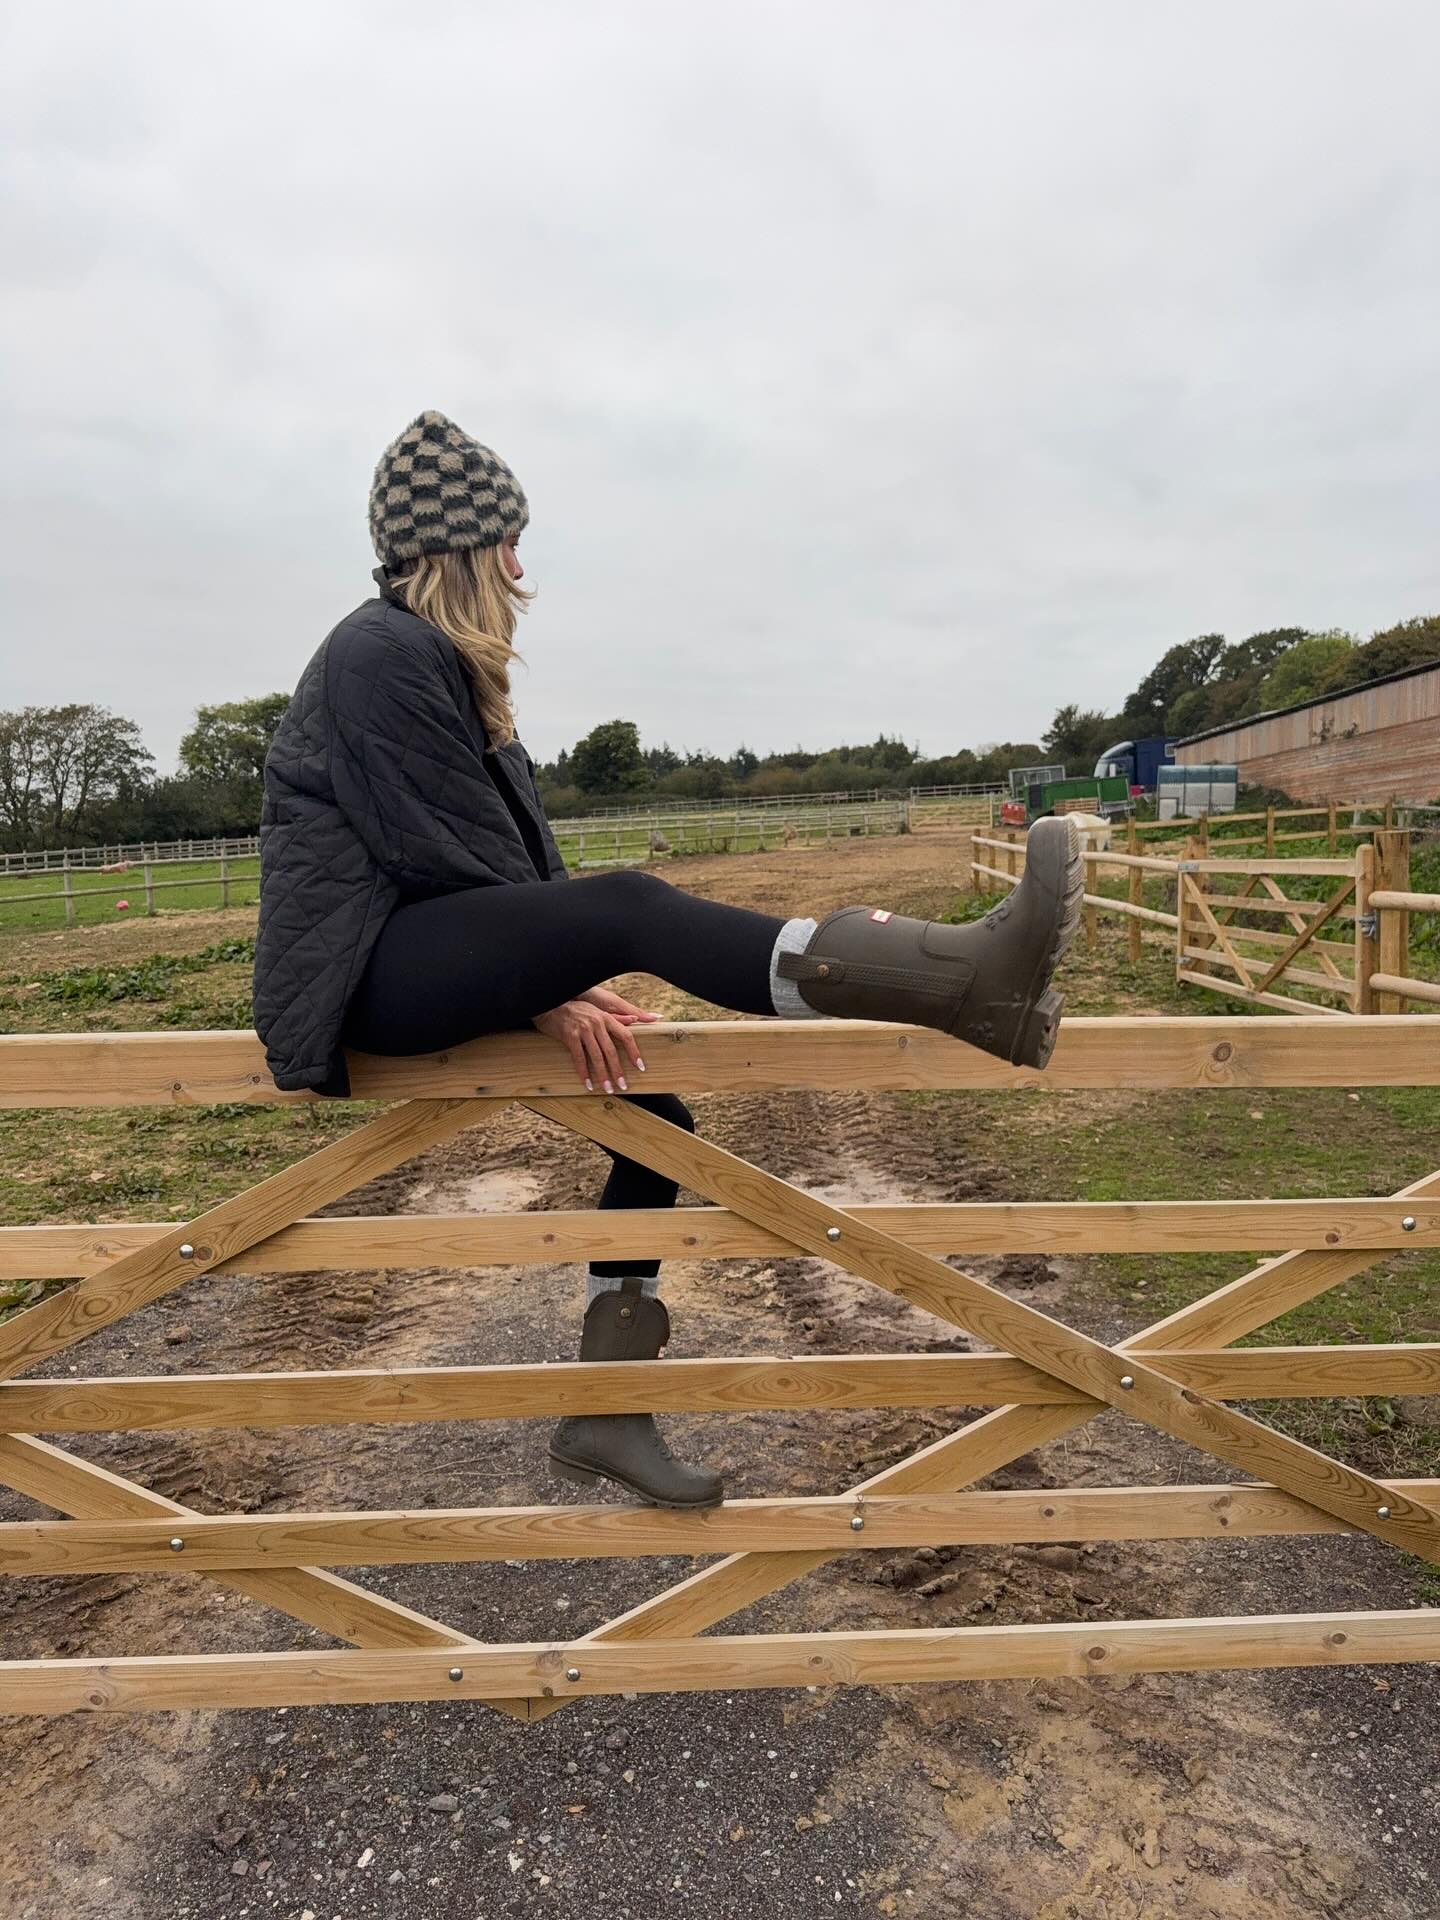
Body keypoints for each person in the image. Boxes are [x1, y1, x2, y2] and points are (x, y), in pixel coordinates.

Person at [254, 410, 1083, 1511]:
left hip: (415, 949)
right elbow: (440, 850)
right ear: (463, 544)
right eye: (509, 536)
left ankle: (607, 1413)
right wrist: (553, 982)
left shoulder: (434, 662)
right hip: (360, 975)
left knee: (659, 1122)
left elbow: (505, 863)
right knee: (636, 903)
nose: (520, 562)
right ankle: (963, 982)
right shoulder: (381, 650)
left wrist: (553, 972)